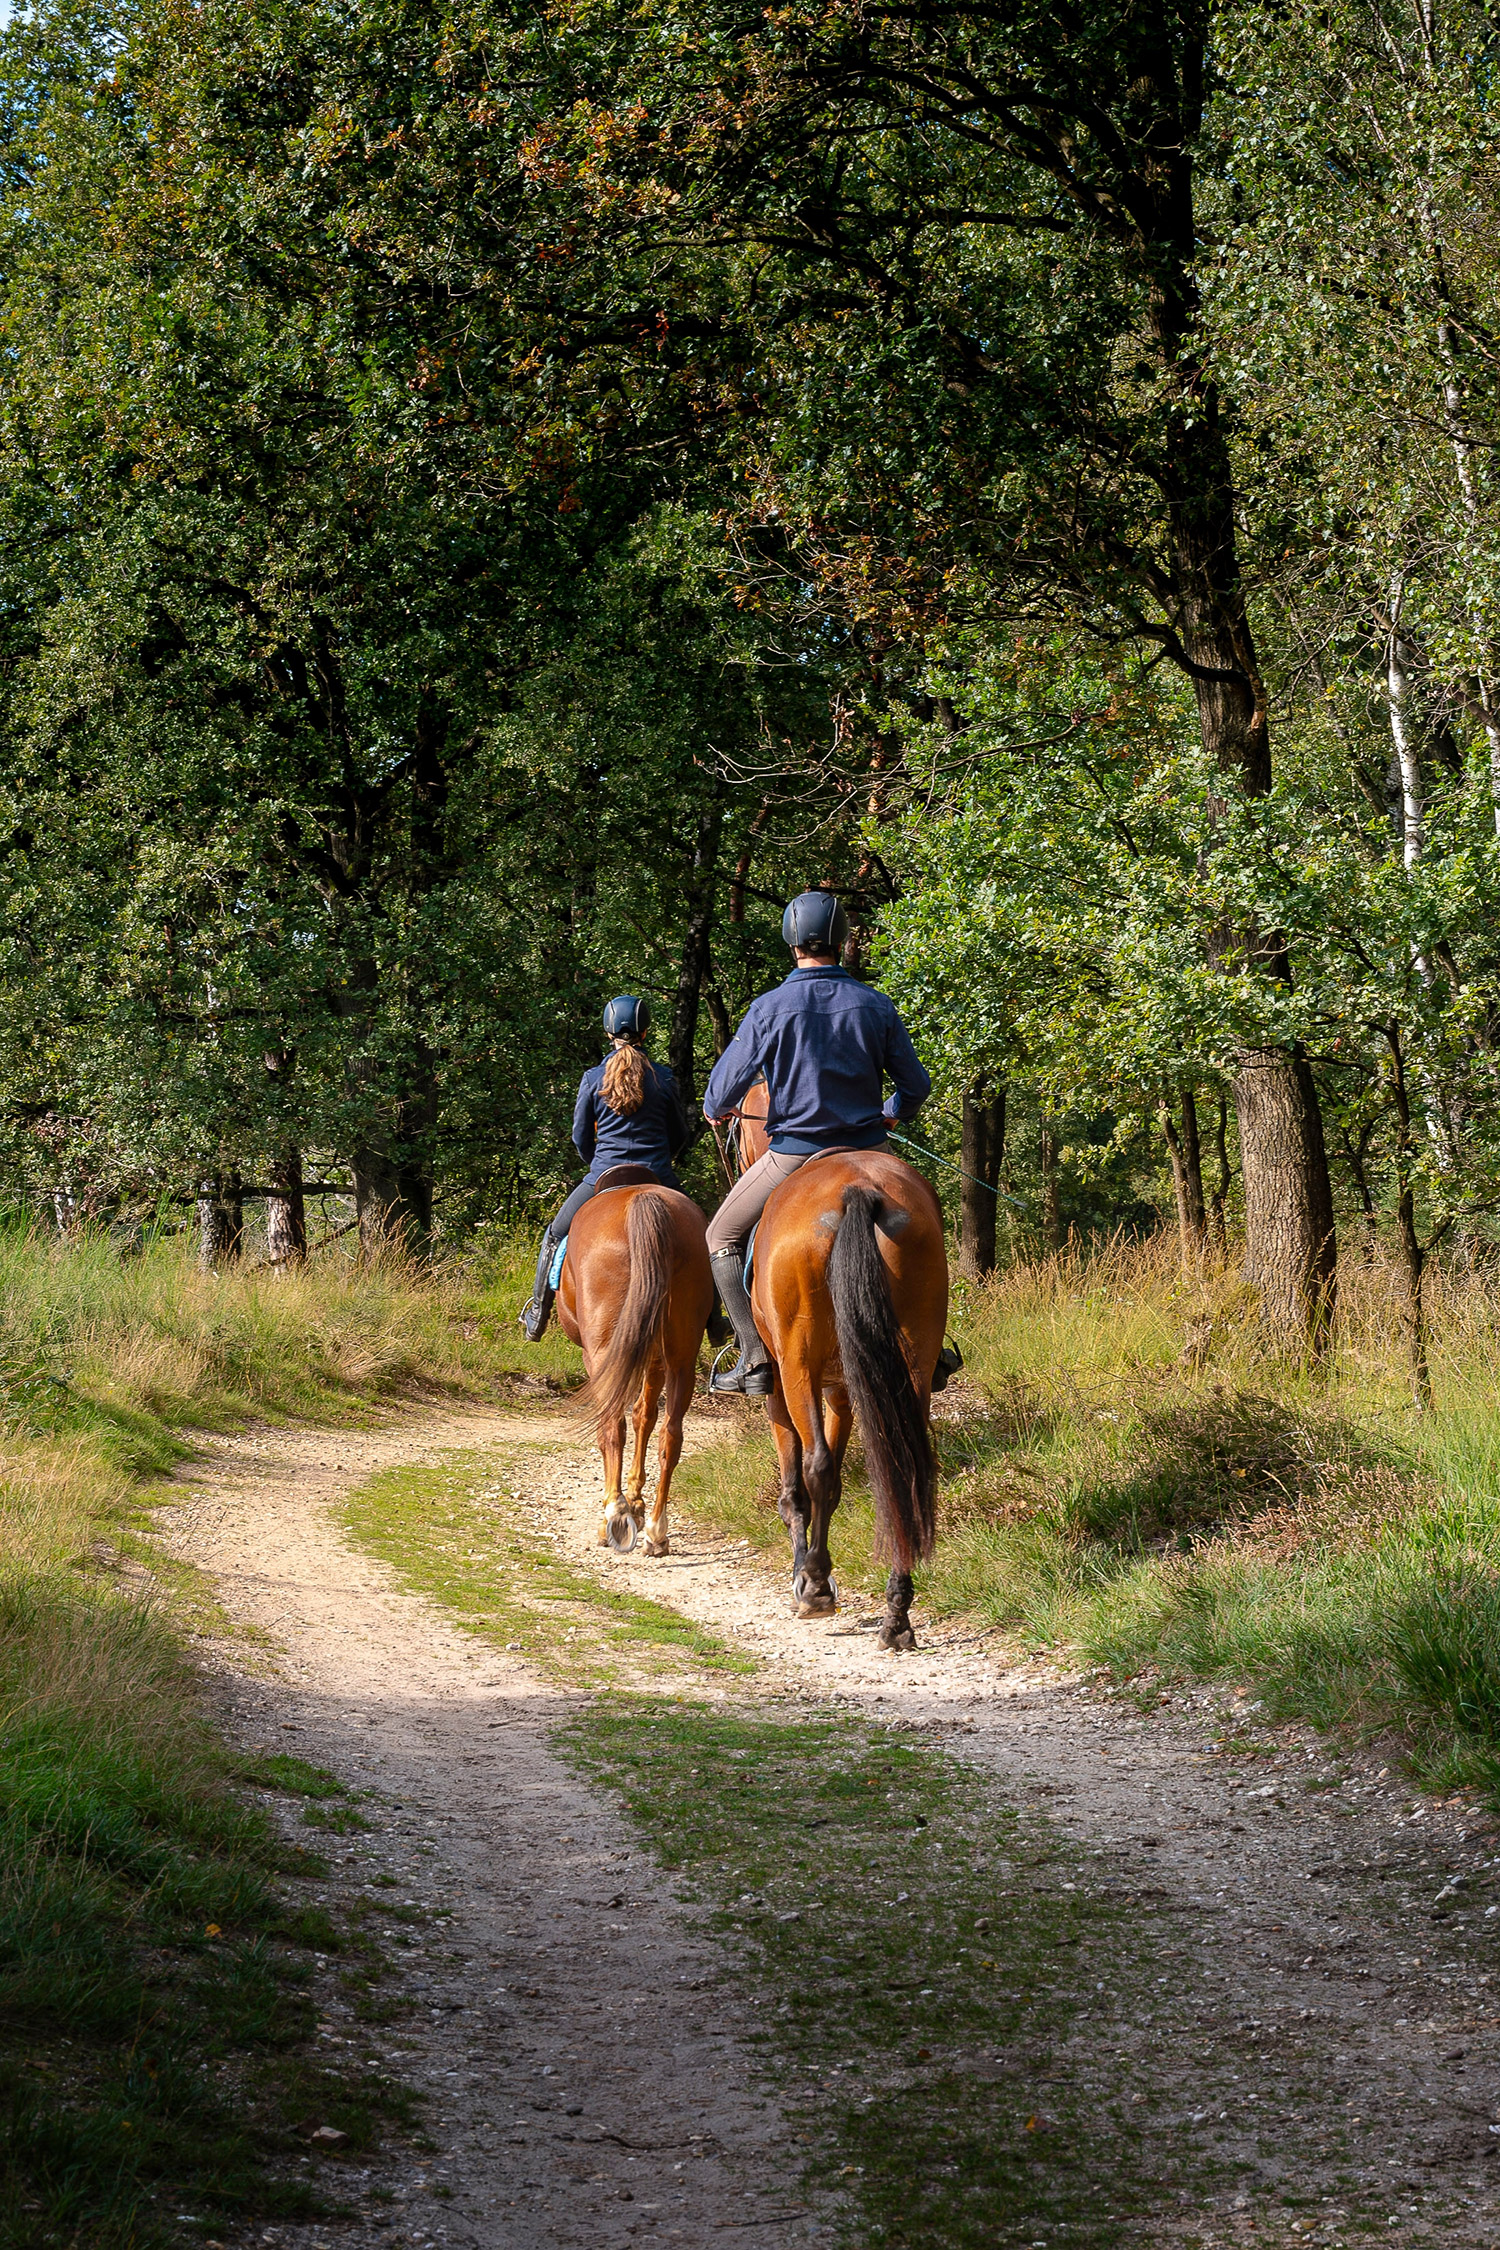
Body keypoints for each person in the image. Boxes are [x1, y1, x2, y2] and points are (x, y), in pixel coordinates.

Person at [701, 889, 932, 1394]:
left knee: (719, 1237)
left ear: (790, 941)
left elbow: (721, 1091)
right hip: (872, 1150)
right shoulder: (876, 1004)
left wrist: (716, 1109)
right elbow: (916, 1086)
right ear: (843, 939)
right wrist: (892, 1114)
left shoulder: (768, 1008)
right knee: (922, 1225)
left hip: (793, 1156)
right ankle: (930, 1351)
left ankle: (755, 1356)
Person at [520, 996, 690, 1342]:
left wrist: (596, 1166)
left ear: (607, 1032)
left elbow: (580, 1136)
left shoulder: (592, 1078)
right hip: (658, 1174)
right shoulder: (664, 1078)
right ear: (645, 1032)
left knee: (554, 1234)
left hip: (603, 1175)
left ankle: (538, 1311)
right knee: (704, 1236)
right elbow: (680, 1135)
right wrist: (664, 1161)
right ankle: (715, 1319)